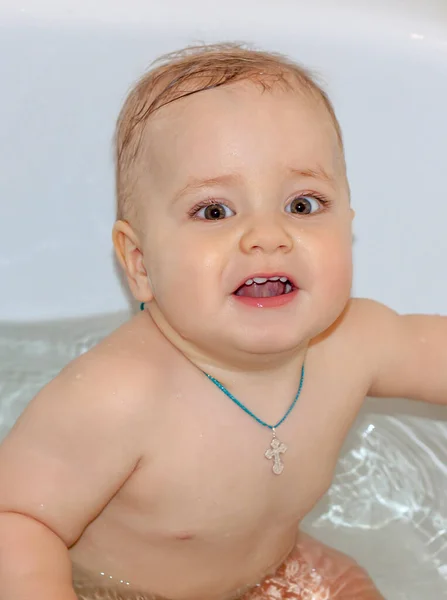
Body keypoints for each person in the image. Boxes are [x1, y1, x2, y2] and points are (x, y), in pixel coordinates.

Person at [0, 43, 445, 600]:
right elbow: (18, 518)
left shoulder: (357, 342)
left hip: (279, 566)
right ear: (140, 264)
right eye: (214, 211)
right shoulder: (120, 396)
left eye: (303, 205)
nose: (267, 234)